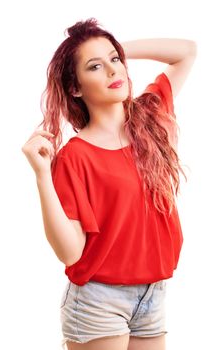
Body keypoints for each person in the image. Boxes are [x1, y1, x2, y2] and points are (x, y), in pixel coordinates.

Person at [21, 18, 197, 350]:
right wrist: (42, 175)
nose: (113, 71)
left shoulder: (151, 119)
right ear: (75, 87)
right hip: (98, 301)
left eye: (114, 61)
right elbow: (71, 252)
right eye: (95, 67)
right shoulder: (75, 157)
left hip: (153, 293)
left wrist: (112, 49)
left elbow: (186, 52)